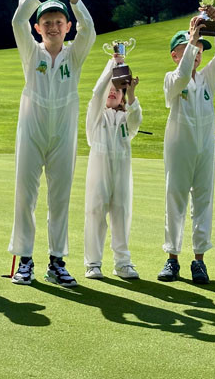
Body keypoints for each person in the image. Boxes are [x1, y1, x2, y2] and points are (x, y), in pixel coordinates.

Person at [9, 0, 95, 287]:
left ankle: (57, 261)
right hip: (31, 130)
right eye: (47, 22)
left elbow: (91, 29)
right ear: (39, 28)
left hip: (63, 133)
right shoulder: (32, 52)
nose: (54, 27)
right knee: (25, 196)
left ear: (67, 26)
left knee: (60, 197)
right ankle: (25, 261)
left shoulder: (75, 54)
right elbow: (18, 20)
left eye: (59, 22)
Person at [158, 8, 215, 284]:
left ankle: (199, 261)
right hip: (179, 147)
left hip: (205, 148)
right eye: (190, 48)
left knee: (203, 201)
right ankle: (172, 259)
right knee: (175, 199)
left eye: (201, 48)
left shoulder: (208, 79)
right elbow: (180, 78)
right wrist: (192, 38)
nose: (197, 52)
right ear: (175, 54)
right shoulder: (172, 78)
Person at [83, 55, 142, 280]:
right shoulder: (96, 118)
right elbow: (97, 93)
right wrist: (113, 65)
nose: (112, 92)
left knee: (121, 212)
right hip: (99, 172)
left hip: (121, 172)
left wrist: (133, 92)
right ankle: (93, 263)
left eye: (118, 90)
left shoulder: (127, 120)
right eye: (110, 88)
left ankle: (122, 263)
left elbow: (136, 118)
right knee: (95, 211)